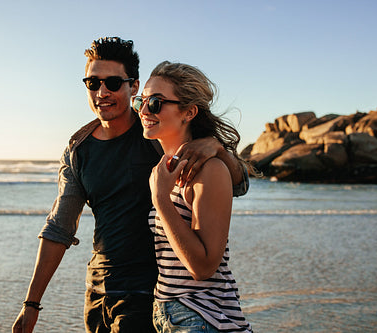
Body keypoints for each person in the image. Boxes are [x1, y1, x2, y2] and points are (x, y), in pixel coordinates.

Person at [12, 37, 249, 333]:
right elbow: (60, 227)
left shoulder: (155, 132)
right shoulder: (78, 149)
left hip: (149, 296)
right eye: (92, 83)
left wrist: (217, 149)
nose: (102, 92)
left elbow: (235, 186)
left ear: (132, 86)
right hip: (99, 291)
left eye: (112, 82)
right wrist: (31, 303)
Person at [133, 61, 253, 332]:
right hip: (172, 315)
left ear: (189, 112)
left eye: (155, 102)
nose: (143, 110)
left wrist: (161, 201)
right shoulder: (166, 169)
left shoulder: (209, 170)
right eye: (141, 101)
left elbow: (203, 267)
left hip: (203, 316)